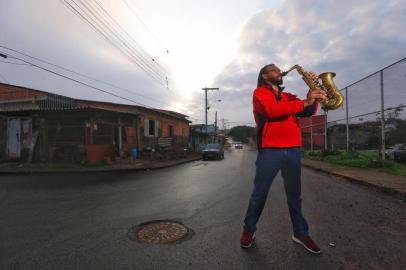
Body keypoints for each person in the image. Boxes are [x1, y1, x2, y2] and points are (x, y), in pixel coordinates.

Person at [240, 63, 326, 254]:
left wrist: (314, 92)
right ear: (264, 76)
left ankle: (300, 233)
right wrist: (304, 102)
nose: (279, 72)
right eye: (274, 70)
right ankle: (249, 230)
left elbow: (308, 111)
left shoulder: (288, 97)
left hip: (293, 149)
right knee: (259, 194)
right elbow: (273, 111)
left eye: (279, 70)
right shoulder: (259, 93)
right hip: (270, 150)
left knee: (295, 195)